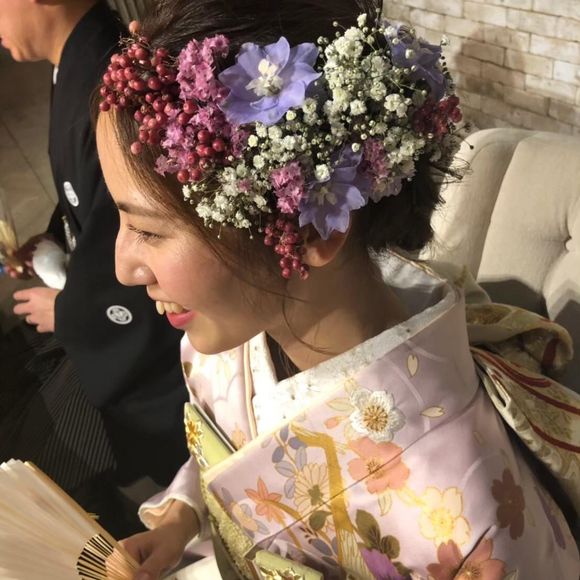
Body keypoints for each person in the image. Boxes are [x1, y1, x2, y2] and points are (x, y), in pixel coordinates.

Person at [96, 0, 580, 577]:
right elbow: (232, 458)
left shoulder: (469, 520)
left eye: (149, 230)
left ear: (312, 231)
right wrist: (181, 517)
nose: (122, 267)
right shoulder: (233, 336)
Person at [0, 0, 188, 534]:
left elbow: (137, 235)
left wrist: (70, 311)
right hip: (95, 301)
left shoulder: (108, 77)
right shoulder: (79, 62)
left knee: (35, 467)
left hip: (142, 338)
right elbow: (90, 203)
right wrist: (53, 240)